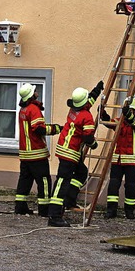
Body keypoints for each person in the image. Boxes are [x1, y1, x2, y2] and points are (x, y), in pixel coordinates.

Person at [47, 80, 104, 227]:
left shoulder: (74, 110)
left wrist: (97, 90)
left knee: (81, 172)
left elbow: (88, 101)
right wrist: (94, 144)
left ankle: (69, 199)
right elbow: (88, 137)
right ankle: (54, 215)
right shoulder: (86, 116)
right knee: (62, 182)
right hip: (70, 152)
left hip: (65, 148)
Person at [15, 83, 62, 217]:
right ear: (31, 94)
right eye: (35, 91)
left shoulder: (22, 110)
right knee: (44, 182)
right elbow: (39, 129)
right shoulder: (33, 109)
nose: (37, 92)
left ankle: (20, 207)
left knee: (25, 180)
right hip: (37, 154)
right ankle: (44, 210)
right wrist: (56, 128)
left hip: (25, 155)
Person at [100, 97, 135, 220]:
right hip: (118, 160)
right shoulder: (119, 122)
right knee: (113, 185)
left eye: (131, 111)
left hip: (132, 161)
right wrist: (102, 112)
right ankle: (111, 211)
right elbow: (109, 122)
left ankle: (129, 212)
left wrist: (128, 114)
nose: (130, 113)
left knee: (130, 187)